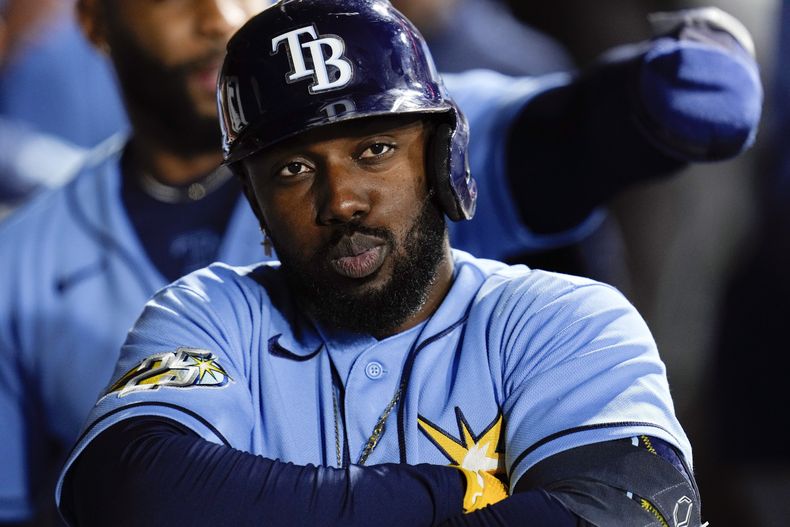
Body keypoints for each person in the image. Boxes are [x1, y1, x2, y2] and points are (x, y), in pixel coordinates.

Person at [0, 0, 761, 524]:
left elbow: (630, 504)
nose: (344, 199)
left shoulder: (566, 319)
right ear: (256, 200)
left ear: (439, 158)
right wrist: (457, 493)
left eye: (374, 149)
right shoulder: (201, 309)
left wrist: (638, 103)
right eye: (296, 169)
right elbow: (136, 493)